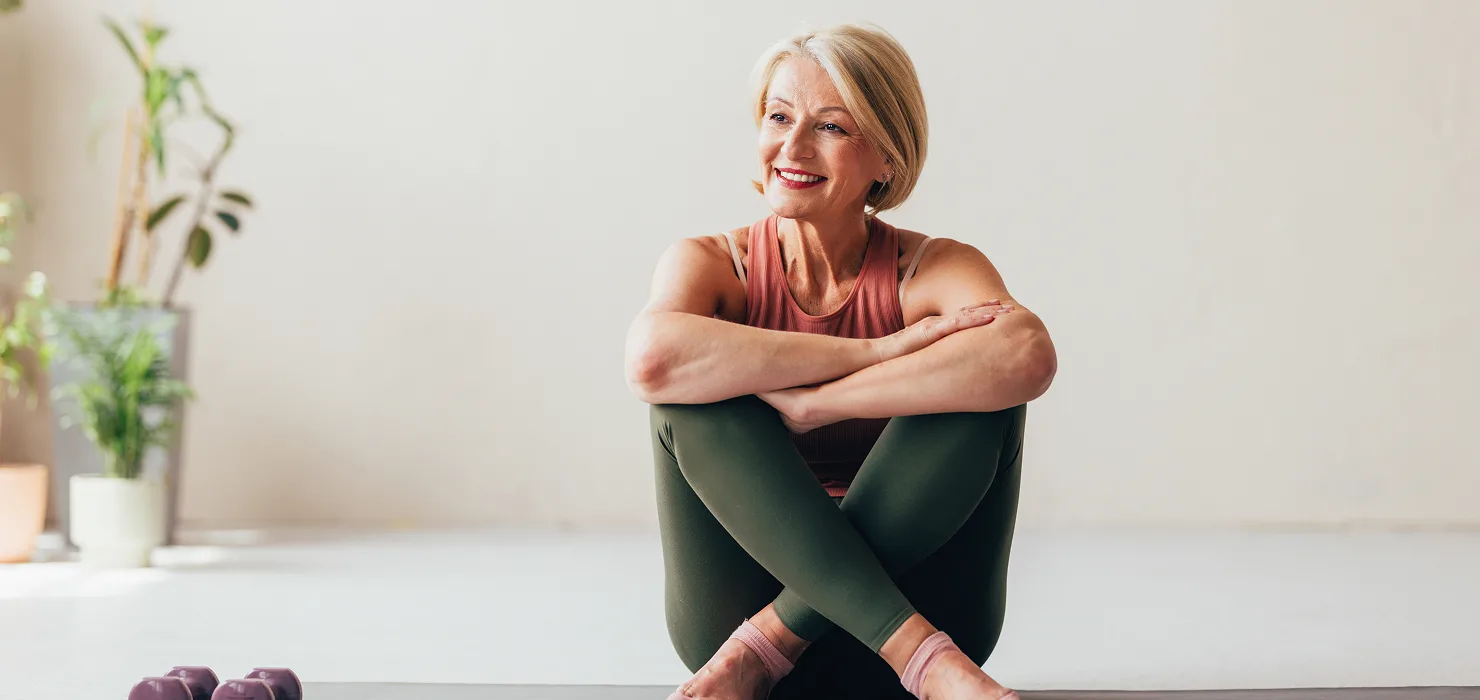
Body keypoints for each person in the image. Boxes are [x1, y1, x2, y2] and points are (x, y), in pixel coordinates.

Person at [624, 23, 1057, 700]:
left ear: (886, 157)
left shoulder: (930, 269)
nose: (792, 147)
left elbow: (1027, 352)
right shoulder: (711, 265)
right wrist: (871, 353)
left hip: (917, 610)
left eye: (830, 126)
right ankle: (919, 659)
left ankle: (787, 637)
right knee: (692, 385)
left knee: (982, 390)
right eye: (778, 117)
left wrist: (819, 401)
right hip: (734, 626)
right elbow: (652, 359)